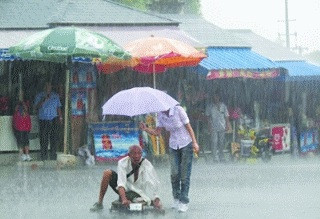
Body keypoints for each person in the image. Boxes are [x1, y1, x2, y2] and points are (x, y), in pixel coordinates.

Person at [139, 105, 199, 212]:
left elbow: (189, 127)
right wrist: (146, 128)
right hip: (173, 145)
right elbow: (157, 132)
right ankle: (176, 198)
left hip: (186, 144)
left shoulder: (178, 110)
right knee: (175, 173)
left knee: (185, 174)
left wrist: (194, 142)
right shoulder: (160, 115)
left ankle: (184, 201)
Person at [90, 145, 162, 212]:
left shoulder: (147, 164)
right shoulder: (122, 163)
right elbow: (121, 182)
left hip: (138, 192)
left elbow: (153, 182)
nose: (136, 156)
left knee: (143, 200)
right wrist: (124, 199)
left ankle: (137, 200)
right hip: (124, 189)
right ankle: (99, 203)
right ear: (129, 155)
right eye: (134, 153)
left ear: (141, 154)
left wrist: (156, 198)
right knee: (107, 173)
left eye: (139, 153)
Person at [34, 82, 62, 161]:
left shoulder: (55, 96)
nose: (48, 88)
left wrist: (60, 118)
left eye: (49, 86)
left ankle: (53, 154)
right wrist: (44, 100)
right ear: (44, 87)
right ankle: (44, 155)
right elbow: (36, 107)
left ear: (51, 87)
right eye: (46, 86)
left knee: (54, 138)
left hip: (53, 119)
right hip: (43, 120)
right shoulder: (39, 95)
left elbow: (58, 107)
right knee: (43, 138)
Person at [205, 92, 231, 162]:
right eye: (214, 97)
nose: (216, 98)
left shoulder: (223, 106)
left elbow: (226, 116)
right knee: (214, 142)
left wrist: (227, 125)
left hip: (222, 126)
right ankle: (215, 157)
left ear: (219, 97)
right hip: (213, 126)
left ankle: (221, 156)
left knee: (221, 142)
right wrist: (209, 126)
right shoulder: (210, 106)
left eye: (217, 96)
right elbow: (208, 117)